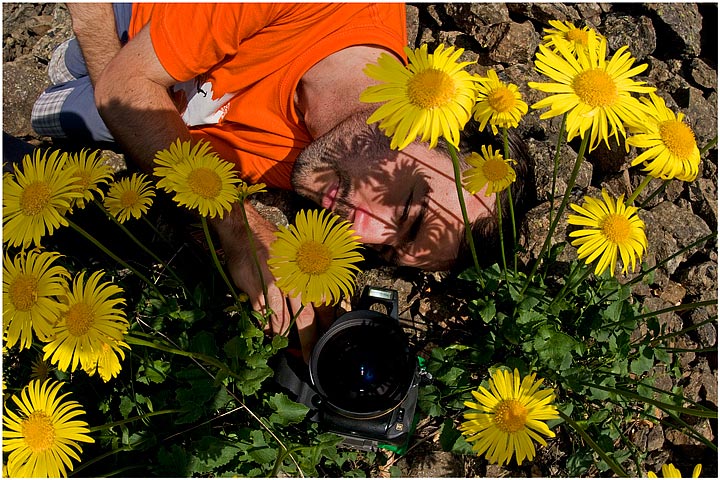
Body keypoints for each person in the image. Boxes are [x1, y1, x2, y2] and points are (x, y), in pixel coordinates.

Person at [30, 3, 531, 359]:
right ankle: (71, 55)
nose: (361, 232)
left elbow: (163, 156)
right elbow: (122, 87)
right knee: (90, 57)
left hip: (147, 104)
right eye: (407, 210)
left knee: (52, 117)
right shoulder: (312, 9)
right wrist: (239, 231)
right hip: (136, 20)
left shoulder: (325, 161)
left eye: (384, 250)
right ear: (436, 110)